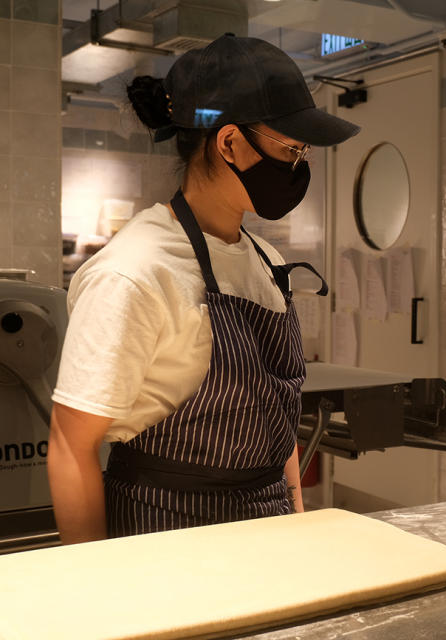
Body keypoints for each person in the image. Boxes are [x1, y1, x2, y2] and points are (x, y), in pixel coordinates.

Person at [48, 34, 359, 543]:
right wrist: (96, 596)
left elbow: (275, 417)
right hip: (166, 531)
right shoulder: (135, 271)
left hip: (269, 527)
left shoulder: (267, 261)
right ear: (230, 142)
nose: (299, 165)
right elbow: (69, 444)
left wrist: (297, 523)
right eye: (291, 148)